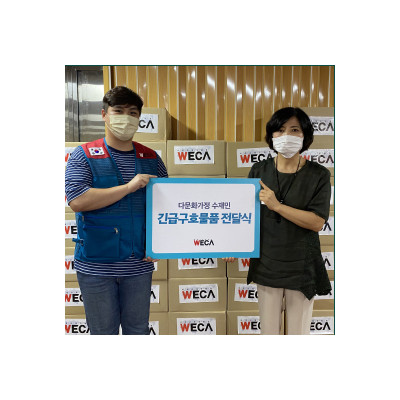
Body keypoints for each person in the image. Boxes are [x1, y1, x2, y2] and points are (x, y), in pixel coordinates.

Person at [65, 86, 168, 335]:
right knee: (103, 333)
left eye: (133, 113)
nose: (126, 118)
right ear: (104, 114)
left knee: (137, 331)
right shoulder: (83, 155)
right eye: (118, 111)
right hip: (96, 266)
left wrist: (160, 244)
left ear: (139, 118)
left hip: (139, 265)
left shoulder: (151, 158)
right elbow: (77, 200)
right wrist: (129, 187)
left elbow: (166, 205)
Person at [247, 107, 332, 335]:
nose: (286, 136)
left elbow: (316, 222)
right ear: (271, 135)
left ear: (305, 135)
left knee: (298, 333)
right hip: (267, 264)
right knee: (269, 332)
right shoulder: (259, 170)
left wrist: (277, 206)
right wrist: (232, 246)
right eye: (280, 130)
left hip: (302, 267)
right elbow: (247, 215)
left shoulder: (319, 175)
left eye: (294, 130)